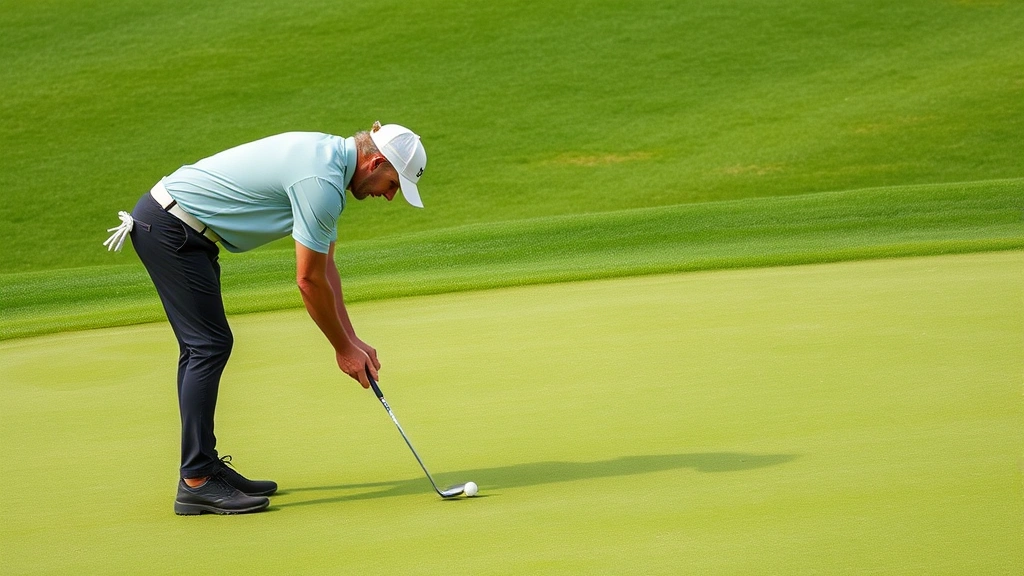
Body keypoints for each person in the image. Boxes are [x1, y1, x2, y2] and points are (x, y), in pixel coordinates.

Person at [103, 122, 427, 515]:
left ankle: (203, 466)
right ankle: (197, 480)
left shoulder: (329, 162)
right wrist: (342, 349)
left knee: (204, 346)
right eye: (393, 184)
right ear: (375, 162)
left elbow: (326, 269)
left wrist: (352, 338)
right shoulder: (321, 182)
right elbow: (308, 281)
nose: (390, 196)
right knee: (208, 346)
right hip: (172, 229)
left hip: (181, 228)